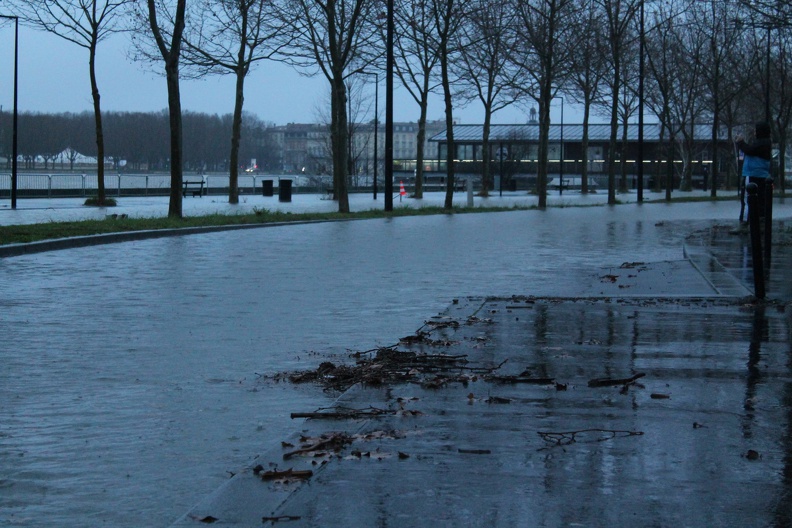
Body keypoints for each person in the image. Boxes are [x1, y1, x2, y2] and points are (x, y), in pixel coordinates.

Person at [735, 122, 772, 222]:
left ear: (760, 131)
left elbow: (749, 150)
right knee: (760, 200)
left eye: (756, 130)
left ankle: (745, 222)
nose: (754, 132)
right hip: (761, 174)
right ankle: (759, 221)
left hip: (752, 174)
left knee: (748, 200)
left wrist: (740, 142)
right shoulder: (766, 143)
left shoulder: (761, 143)